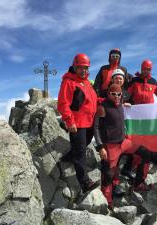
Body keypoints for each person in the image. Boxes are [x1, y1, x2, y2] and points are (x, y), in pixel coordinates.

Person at [94, 83, 152, 209]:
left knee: (146, 153)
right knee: (108, 174)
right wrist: (100, 147)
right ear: (108, 94)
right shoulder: (102, 107)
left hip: (124, 142)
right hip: (110, 146)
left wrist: (127, 105)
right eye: (113, 94)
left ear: (121, 94)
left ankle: (138, 183)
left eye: (119, 94)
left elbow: (124, 105)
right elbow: (96, 128)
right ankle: (107, 202)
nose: (116, 96)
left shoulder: (121, 104)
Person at [122, 59, 157, 191]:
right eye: (145, 69)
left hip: (149, 119)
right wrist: (121, 102)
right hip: (136, 118)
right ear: (141, 68)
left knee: (147, 147)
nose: (146, 71)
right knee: (136, 144)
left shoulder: (153, 82)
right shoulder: (135, 81)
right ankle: (129, 169)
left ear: (151, 70)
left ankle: (139, 178)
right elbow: (126, 94)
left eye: (149, 69)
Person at [57, 53, 100, 194]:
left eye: (86, 68)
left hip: (90, 122)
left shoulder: (86, 82)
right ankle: (85, 183)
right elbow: (63, 104)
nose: (83, 70)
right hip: (78, 123)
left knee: (83, 145)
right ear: (74, 66)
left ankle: (69, 156)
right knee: (81, 152)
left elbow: (93, 99)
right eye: (81, 67)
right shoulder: (68, 82)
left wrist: (106, 102)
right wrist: (70, 121)